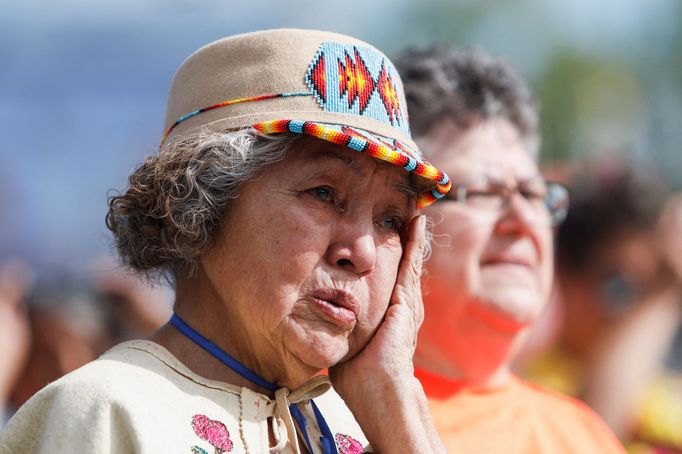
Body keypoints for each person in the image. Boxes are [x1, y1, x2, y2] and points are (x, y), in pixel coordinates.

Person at [0, 29, 451, 453]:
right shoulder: (106, 411)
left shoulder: (366, 423)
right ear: (200, 203)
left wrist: (398, 404)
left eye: (391, 221)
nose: (363, 253)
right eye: (324, 194)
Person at [395, 45, 625, 453]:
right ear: (394, 219)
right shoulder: (314, 419)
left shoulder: (583, 436)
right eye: (484, 192)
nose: (522, 220)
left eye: (532, 192)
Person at [526, 161, 682, 452]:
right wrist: (663, 293)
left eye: (646, 287)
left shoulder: (660, 383)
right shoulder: (527, 384)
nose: (634, 311)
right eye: (619, 287)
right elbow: (589, 434)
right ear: (563, 274)